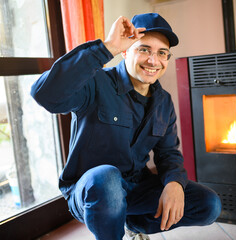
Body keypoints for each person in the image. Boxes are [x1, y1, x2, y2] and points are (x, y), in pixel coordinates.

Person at [31, 13, 221, 240]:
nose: (153, 60)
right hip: (92, 190)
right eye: (144, 49)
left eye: (162, 53)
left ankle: (134, 224)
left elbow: (169, 153)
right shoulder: (96, 83)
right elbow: (44, 94)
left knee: (209, 204)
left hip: (135, 187)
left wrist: (174, 183)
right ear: (125, 51)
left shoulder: (163, 101)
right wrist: (107, 47)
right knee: (107, 179)